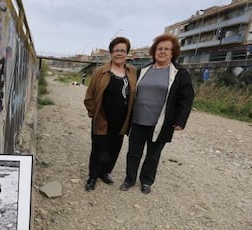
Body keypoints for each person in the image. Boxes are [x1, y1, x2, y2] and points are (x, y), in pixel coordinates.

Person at [120, 33, 194, 194]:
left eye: (167, 49)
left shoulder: (179, 73)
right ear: (154, 51)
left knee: (153, 155)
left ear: (173, 53)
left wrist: (180, 120)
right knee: (133, 153)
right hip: (138, 120)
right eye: (159, 48)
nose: (162, 51)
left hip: (160, 123)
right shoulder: (143, 70)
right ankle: (129, 179)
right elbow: (130, 91)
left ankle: (146, 181)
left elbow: (186, 98)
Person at [83, 37, 137, 191]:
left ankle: (104, 172)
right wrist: (94, 114)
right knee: (99, 148)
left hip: (122, 119)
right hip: (102, 118)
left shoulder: (132, 72)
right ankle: (92, 176)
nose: (119, 53)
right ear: (111, 53)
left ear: (127, 53)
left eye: (122, 50)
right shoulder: (100, 72)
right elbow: (89, 95)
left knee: (114, 148)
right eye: (116, 50)